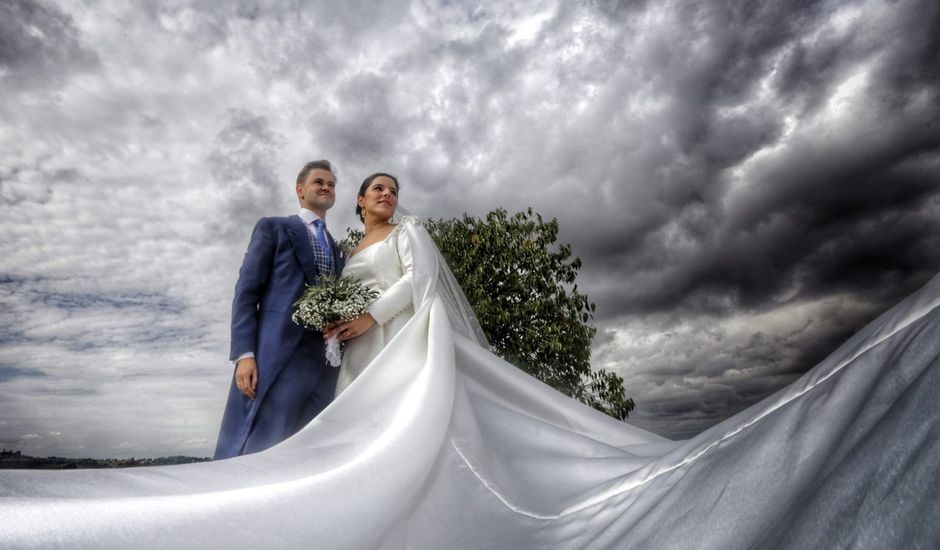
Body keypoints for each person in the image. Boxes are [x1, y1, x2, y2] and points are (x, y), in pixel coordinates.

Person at [213, 160, 345, 459]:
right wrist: (244, 355)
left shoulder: (336, 247)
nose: (327, 187)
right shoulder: (274, 228)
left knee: (301, 448)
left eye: (332, 184)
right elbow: (246, 293)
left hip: (322, 365)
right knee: (257, 444)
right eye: (319, 182)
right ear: (300, 190)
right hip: (275, 355)